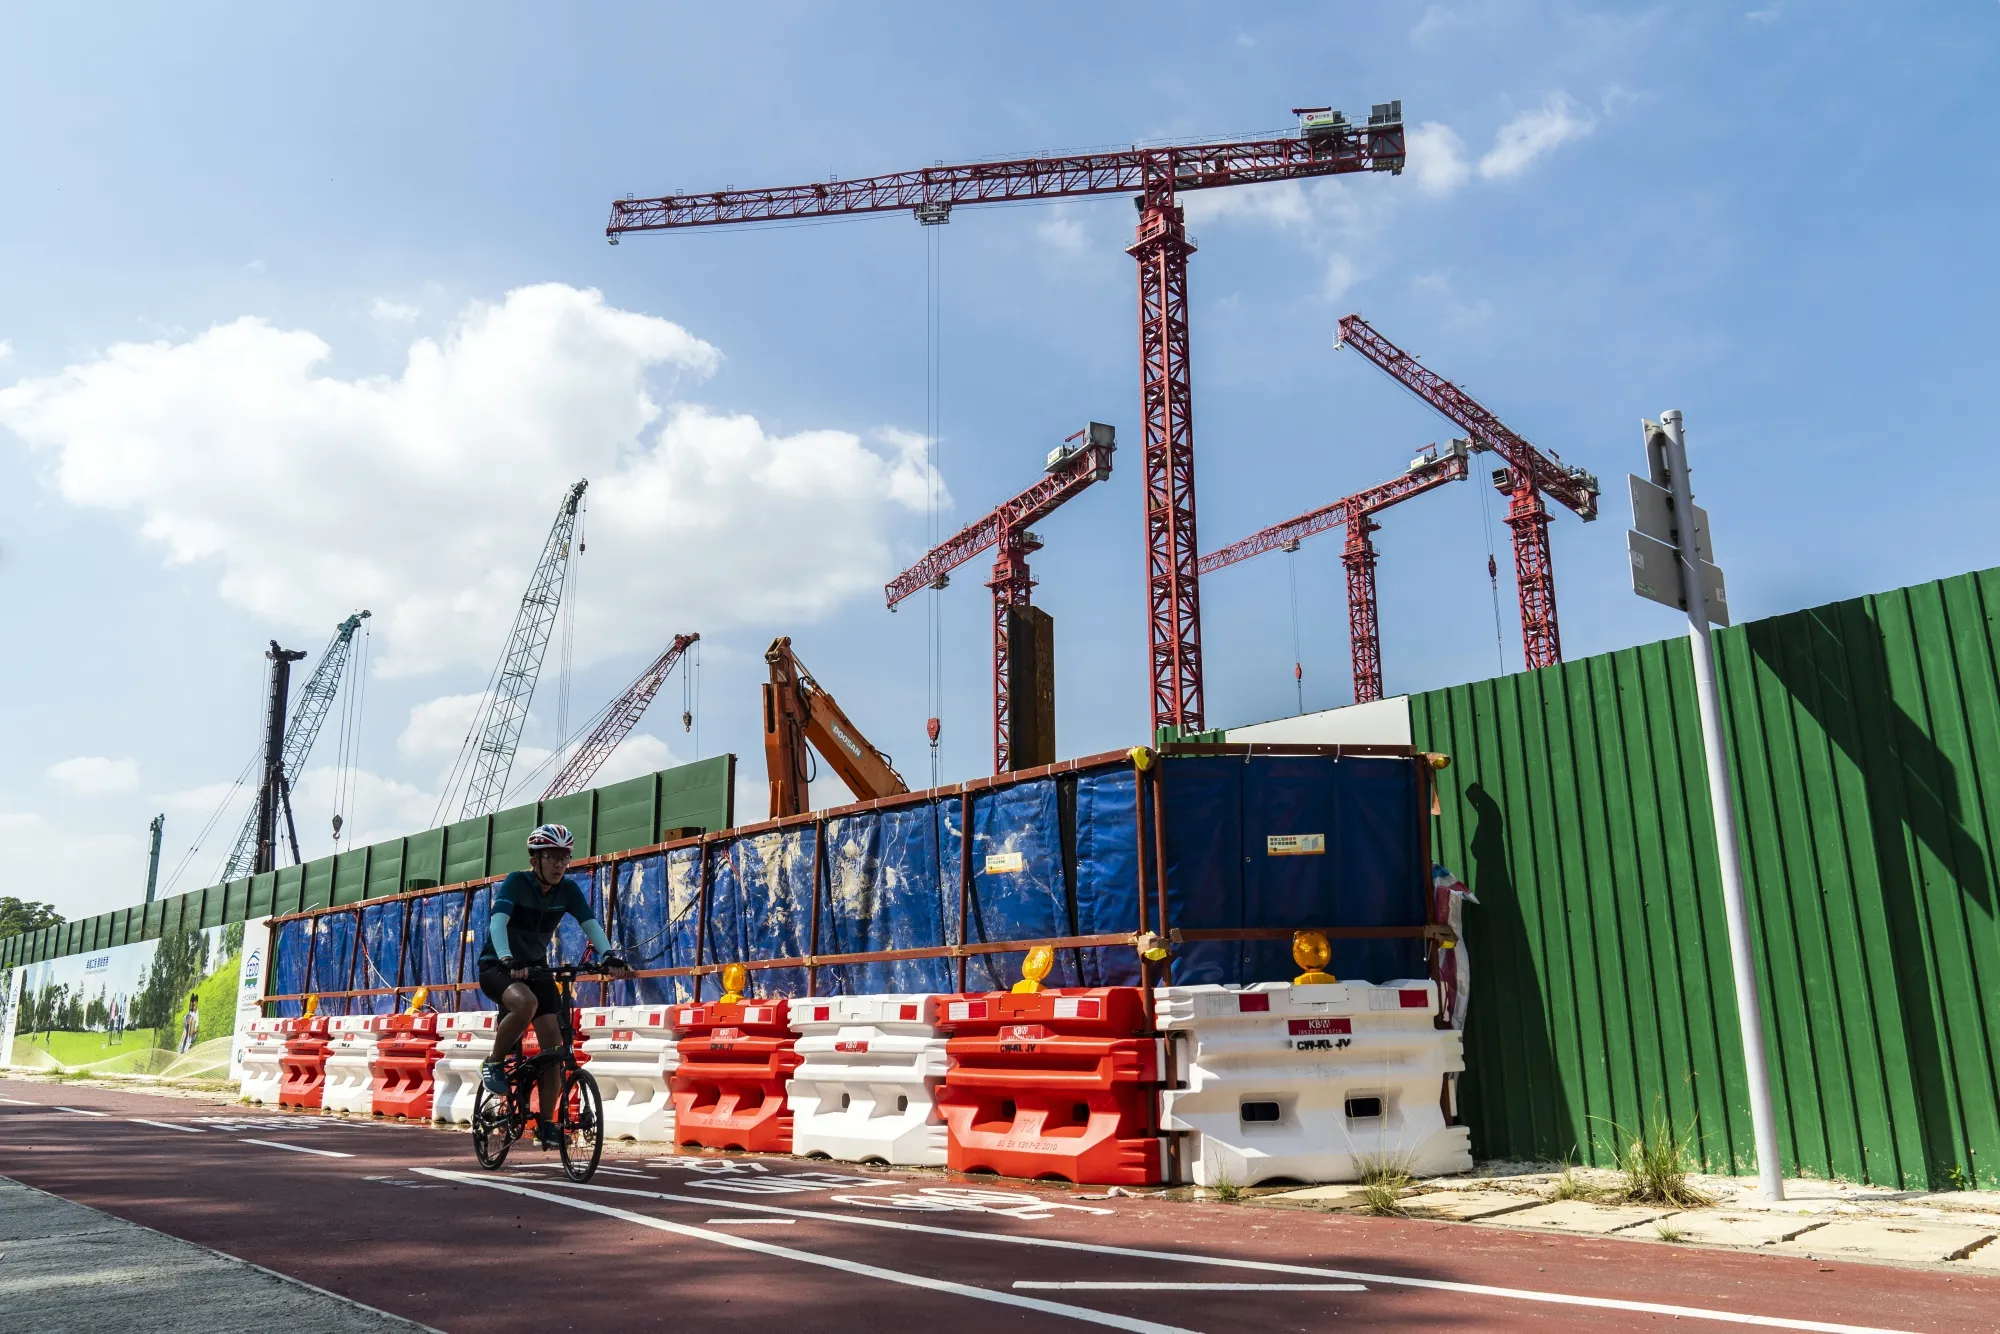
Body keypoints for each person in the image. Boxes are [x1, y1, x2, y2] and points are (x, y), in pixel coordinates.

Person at [478, 824, 631, 1148]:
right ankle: (493, 1062)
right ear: (535, 860)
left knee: (554, 1052)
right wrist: (506, 958)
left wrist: (609, 955)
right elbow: (498, 922)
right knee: (526, 1004)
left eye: (564, 857)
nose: (559, 864)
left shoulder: (569, 891)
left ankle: (546, 1124)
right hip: (497, 966)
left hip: (536, 969)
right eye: (551, 857)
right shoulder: (517, 882)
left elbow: (590, 924)